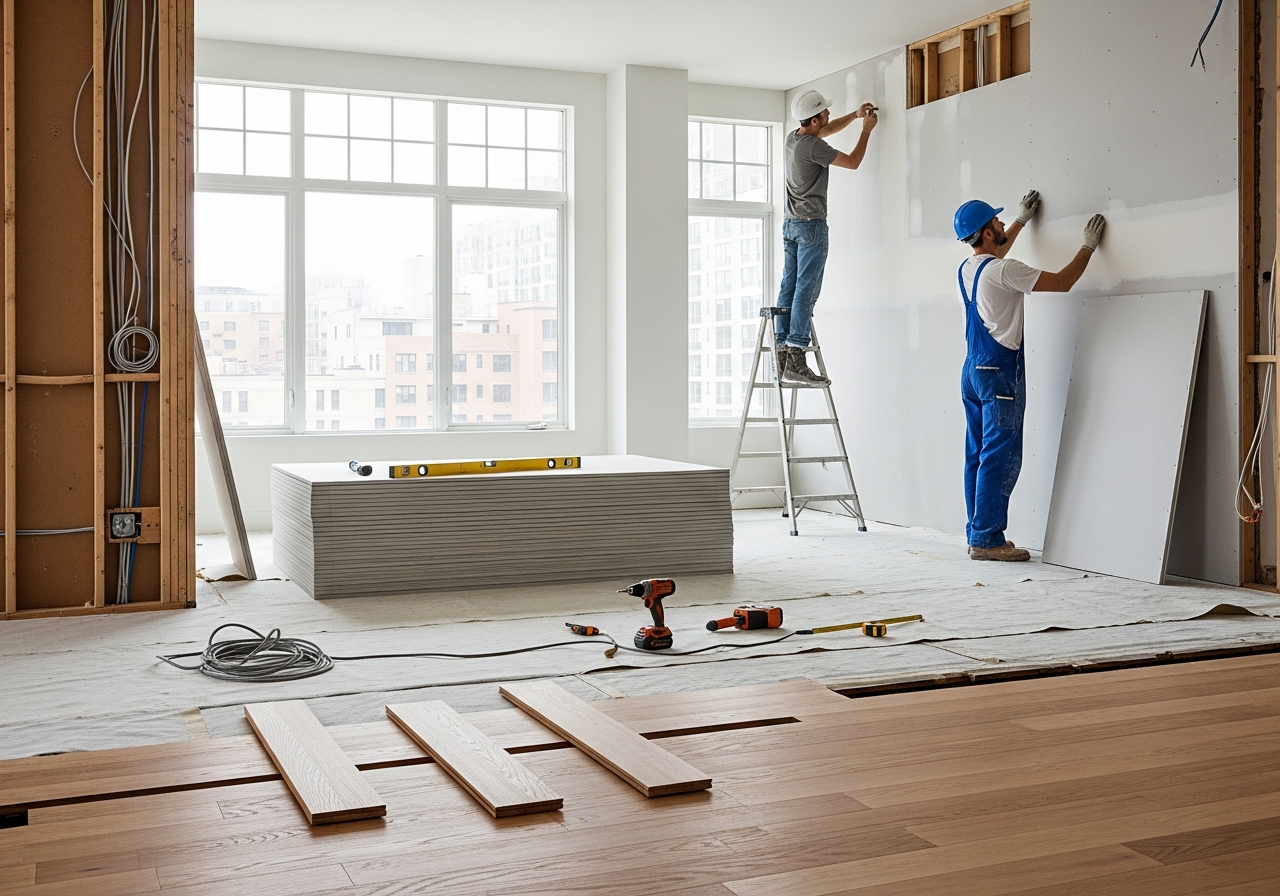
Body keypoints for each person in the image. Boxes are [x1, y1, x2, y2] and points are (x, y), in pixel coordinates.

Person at [954, 193, 1106, 561]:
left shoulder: (968, 268)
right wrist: (1087, 247)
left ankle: (978, 532)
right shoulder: (1005, 271)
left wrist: (1022, 220)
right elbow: (1064, 281)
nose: (1005, 225)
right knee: (1000, 456)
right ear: (988, 233)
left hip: (973, 372)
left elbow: (997, 259)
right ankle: (988, 540)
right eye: (999, 222)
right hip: (999, 374)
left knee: (977, 453)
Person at [775, 89, 878, 386]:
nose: (829, 115)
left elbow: (827, 130)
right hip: (811, 227)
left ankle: (782, 350)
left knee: (789, 285)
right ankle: (797, 354)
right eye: (825, 113)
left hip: (791, 225)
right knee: (806, 290)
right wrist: (866, 131)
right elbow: (854, 161)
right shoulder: (812, 148)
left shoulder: (794, 137)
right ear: (815, 119)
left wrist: (855, 115)